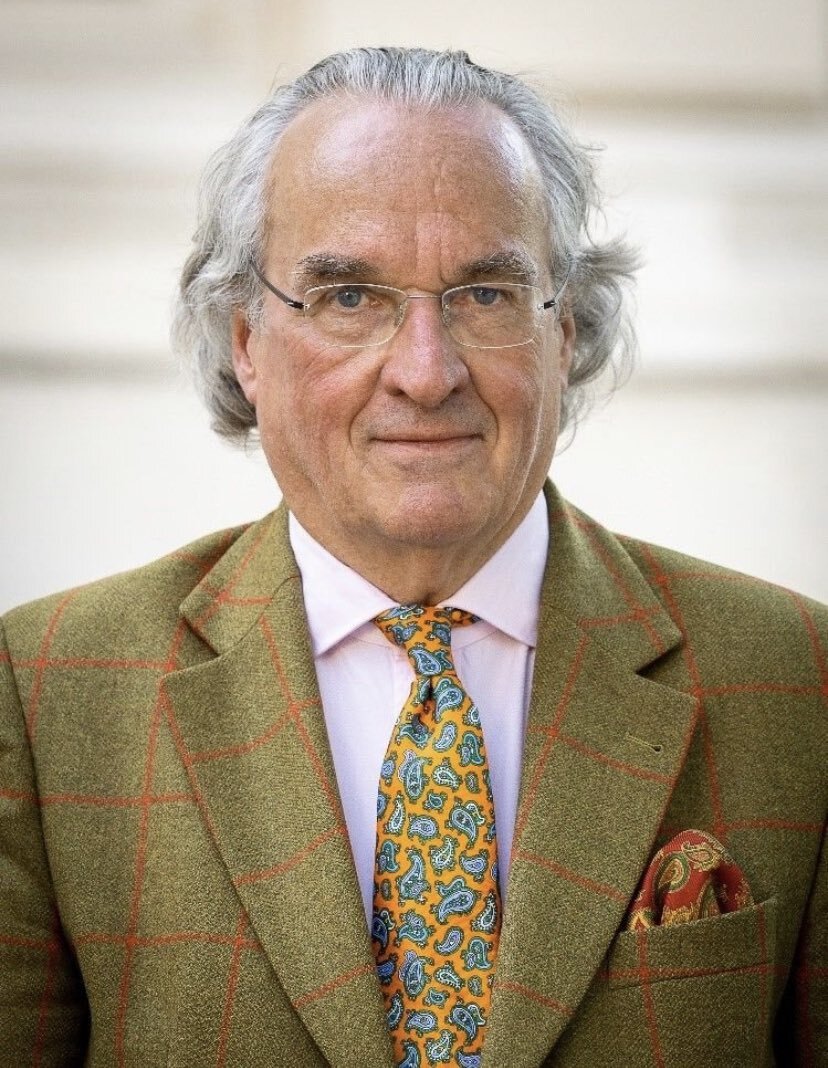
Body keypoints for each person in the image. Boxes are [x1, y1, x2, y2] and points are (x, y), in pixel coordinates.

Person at [0, 46, 824, 1068]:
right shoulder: (49, 692)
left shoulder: (798, 679)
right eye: (350, 297)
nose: (426, 373)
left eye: (485, 293)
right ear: (246, 340)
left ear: (565, 330)